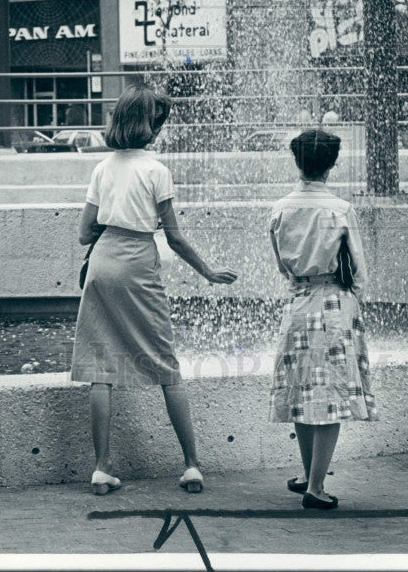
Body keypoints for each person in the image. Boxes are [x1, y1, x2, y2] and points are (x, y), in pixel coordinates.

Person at [71, 85, 237, 495]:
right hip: (139, 262)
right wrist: (209, 272)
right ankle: (192, 465)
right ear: (148, 126)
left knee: (100, 369)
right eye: (157, 122)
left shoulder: (102, 169)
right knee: (167, 365)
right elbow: (176, 239)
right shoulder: (156, 171)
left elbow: (82, 234)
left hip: (103, 261)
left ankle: (101, 468)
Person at [268, 128, 377, 510]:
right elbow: (359, 270)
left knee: (301, 391)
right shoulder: (340, 209)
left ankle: (304, 474)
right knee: (330, 396)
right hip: (334, 303)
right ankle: (316, 487)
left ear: (298, 162)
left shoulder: (280, 208)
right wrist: (352, 299)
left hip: (298, 302)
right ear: (331, 164)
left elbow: (282, 263)